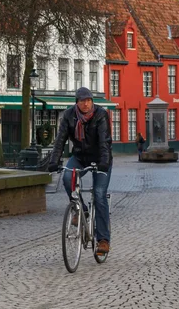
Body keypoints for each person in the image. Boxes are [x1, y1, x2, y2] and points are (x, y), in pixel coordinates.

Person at [48, 87, 113, 254]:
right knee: (67, 177)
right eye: (83, 101)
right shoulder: (69, 116)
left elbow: (105, 142)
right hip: (79, 157)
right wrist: (54, 161)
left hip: (100, 158)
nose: (86, 104)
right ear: (76, 102)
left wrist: (104, 163)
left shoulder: (100, 114)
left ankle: (103, 240)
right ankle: (81, 208)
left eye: (89, 100)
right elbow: (60, 140)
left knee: (99, 194)